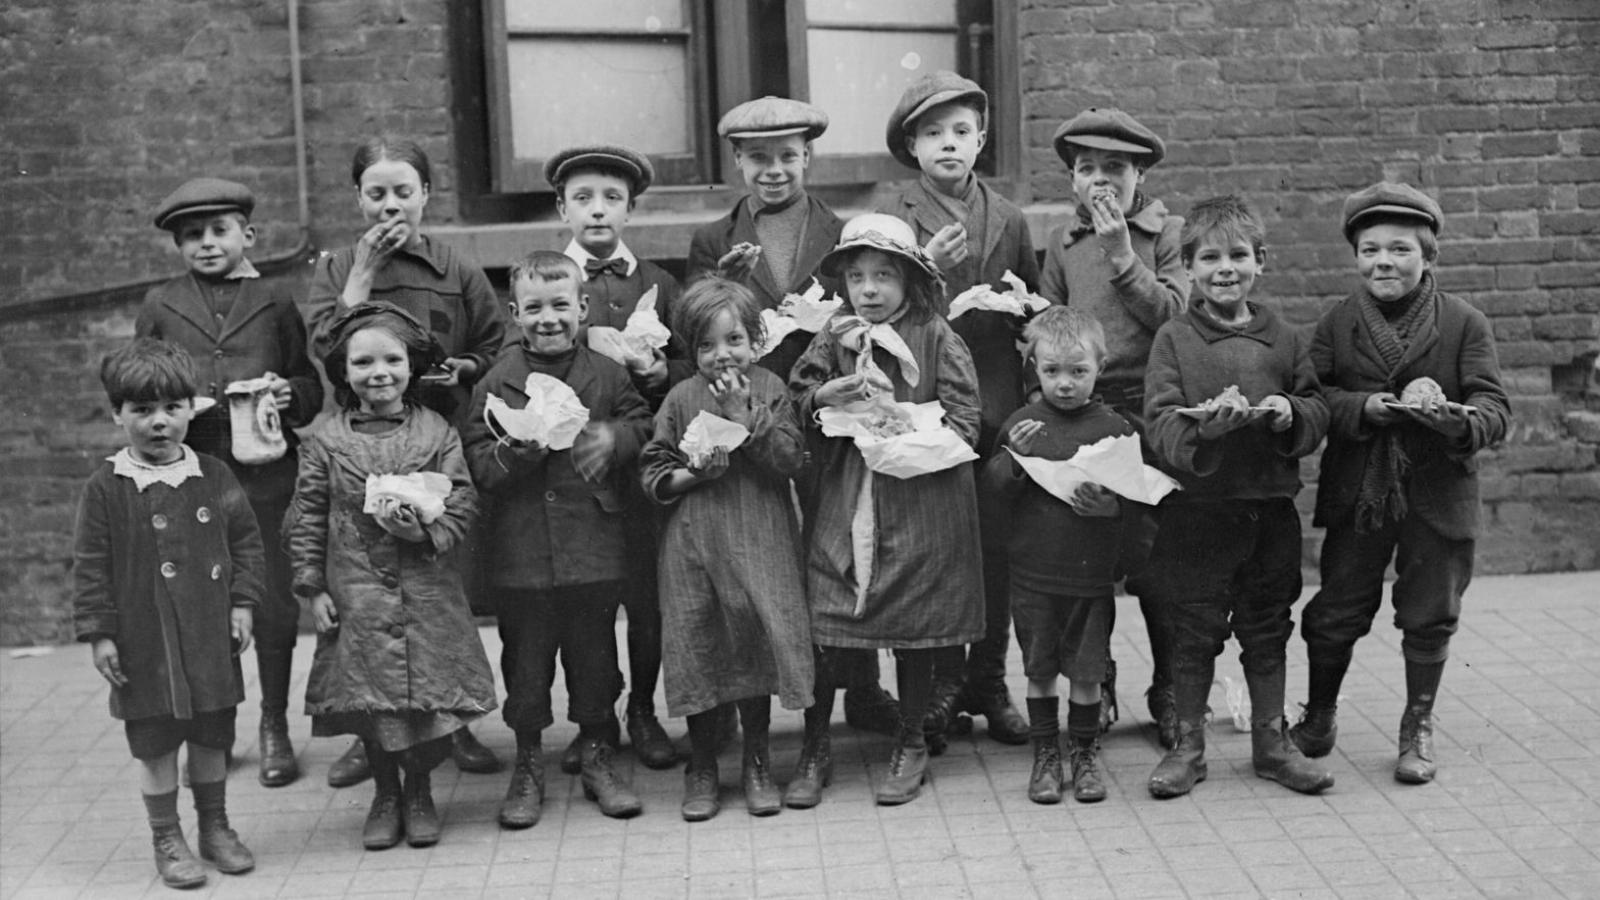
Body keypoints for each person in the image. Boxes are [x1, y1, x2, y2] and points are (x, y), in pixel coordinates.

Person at [687, 96, 899, 736]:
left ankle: (858, 685)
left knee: (837, 546)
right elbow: (695, 327)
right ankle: (742, 692)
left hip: (826, 411)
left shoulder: (841, 232)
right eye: (758, 159)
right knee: (753, 553)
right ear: (738, 164)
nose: (773, 170)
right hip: (745, 411)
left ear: (808, 157)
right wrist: (716, 283)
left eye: (787, 156)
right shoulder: (713, 240)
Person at [1294, 182, 1510, 784]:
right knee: (1337, 606)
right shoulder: (1339, 322)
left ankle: (1417, 726)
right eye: (1369, 250)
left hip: (1439, 492)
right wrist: (1365, 408)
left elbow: (1494, 407)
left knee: (1429, 611)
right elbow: (1314, 397)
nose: (1382, 262)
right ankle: (1318, 716)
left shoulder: (1465, 323)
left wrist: (1456, 421)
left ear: (1428, 257)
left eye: (1399, 250)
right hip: (1360, 490)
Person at [306, 137, 504, 785]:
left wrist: (464, 367)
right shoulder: (338, 267)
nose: (390, 206)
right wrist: (360, 274)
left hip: (434, 437)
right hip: (360, 441)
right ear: (358, 197)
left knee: (437, 592)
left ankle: (454, 723)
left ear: (426, 195)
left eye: (403, 191)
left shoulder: (455, 266)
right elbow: (324, 346)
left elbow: (493, 340)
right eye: (376, 193)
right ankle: (374, 733)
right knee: (368, 597)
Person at [1139, 195, 1334, 799]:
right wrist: (1205, 430)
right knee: (1193, 629)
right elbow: (1160, 421)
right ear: (1188, 267)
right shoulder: (1174, 338)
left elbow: (1317, 408)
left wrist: (1287, 413)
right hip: (1198, 512)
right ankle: (1188, 747)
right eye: (1210, 258)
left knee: (1268, 626)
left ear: (1261, 262)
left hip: (1269, 508)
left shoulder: (1286, 339)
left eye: (1239, 256)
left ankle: (1272, 745)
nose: (1226, 268)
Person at [284, 303, 498, 849]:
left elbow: (464, 499)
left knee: (427, 698)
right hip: (355, 589)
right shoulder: (325, 441)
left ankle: (421, 789)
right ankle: (384, 792)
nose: (378, 373)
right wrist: (312, 585)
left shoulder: (435, 431)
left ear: (412, 366)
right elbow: (307, 513)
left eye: (392, 360)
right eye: (363, 363)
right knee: (370, 701)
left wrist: (425, 532)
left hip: (426, 585)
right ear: (344, 372)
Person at [789, 213, 985, 806]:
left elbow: (967, 418)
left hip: (919, 497)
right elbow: (800, 398)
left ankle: (912, 738)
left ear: (910, 280)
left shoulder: (936, 335)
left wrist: (912, 427)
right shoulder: (833, 335)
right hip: (850, 490)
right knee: (829, 615)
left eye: (882, 276)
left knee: (915, 625)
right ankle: (815, 743)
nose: (869, 289)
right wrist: (826, 397)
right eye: (857, 276)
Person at [137, 177, 323, 789]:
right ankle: (217, 728)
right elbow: (140, 390)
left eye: (219, 231)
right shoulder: (161, 306)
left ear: (247, 234)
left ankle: (274, 724)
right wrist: (172, 402)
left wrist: (285, 392)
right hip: (190, 480)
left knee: (269, 603)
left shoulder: (273, 300)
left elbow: (310, 387)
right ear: (178, 246)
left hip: (265, 478)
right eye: (193, 235)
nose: (207, 244)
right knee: (201, 609)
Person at [461, 252, 654, 826]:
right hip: (523, 554)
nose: (550, 319)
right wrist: (510, 455)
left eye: (561, 306)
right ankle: (527, 763)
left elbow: (645, 423)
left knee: (595, 658)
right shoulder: (499, 379)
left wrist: (614, 437)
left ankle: (598, 752)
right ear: (515, 313)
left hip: (592, 545)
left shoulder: (607, 373)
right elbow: (475, 455)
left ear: (583, 308)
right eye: (536, 308)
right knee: (526, 662)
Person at [880, 70, 1038, 747]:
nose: (949, 144)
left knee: (996, 549)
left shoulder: (1008, 216)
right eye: (933, 133)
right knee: (937, 552)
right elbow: (881, 313)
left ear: (982, 140)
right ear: (912, 146)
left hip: (997, 403)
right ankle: (938, 685)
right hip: (927, 405)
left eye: (962, 132)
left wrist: (1029, 321)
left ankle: (988, 679)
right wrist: (925, 271)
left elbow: (1028, 305)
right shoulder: (894, 219)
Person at [74, 339, 263, 888]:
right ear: (118, 414)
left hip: (207, 634)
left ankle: (215, 826)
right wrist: (99, 634)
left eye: (171, 409)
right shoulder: (107, 487)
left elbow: (247, 543)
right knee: (156, 741)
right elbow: (89, 564)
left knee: (210, 736)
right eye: (142, 411)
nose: (159, 423)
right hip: (144, 640)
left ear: (190, 409)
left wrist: (244, 603)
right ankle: (166, 836)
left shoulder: (214, 475)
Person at [1038, 107, 1189, 742]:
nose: (1101, 181)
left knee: (1159, 559)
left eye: (1116, 169)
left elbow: (1176, 316)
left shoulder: (1166, 233)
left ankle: (1173, 686)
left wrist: (1124, 255)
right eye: (1087, 168)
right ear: (1071, 180)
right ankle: (1093, 683)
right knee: (1087, 555)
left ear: (1141, 175)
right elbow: (1048, 325)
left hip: (1152, 408)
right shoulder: (1061, 243)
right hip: (1086, 412)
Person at [640, 277, 814, 821]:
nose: (722, 356)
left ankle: (757, 758)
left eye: (734, 340)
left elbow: (789, 458)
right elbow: (653, 469)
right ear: (690, 350)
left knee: (755, 636)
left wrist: (746, 418)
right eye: (707, 346)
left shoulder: (770, 388)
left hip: (759, 535)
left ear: (756, 340)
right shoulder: (679, 397)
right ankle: (704, 763)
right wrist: (692, 475)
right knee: (698, 640)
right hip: (695, 540)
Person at [541, 144, 680, 774]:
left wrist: (661, 369)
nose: (597, 211)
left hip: (642, 469)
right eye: (583, 199)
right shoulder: (545, 280)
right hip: (574, 480)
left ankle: (644, 711)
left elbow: (689, 369)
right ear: (562, 207)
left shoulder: (657, 281)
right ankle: (594, 718)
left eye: (612, 199)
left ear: (630, 209)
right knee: (587, 606)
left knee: (647, 601)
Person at [985, 306, 1142, 804]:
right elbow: (992, 490)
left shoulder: (1115, 428)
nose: (1066, 384)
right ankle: (1045, 757)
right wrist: (1012, 456)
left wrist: (1111, 508)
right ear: (1034, 367)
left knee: (1088, 673)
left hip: (1091, 578)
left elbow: (1139, 500)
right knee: (1038, 670)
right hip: (1033, 575)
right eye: (1052, 371)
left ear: (1101, 366)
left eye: (1079, 371)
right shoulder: (1022, 424)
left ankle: (1085, 754)